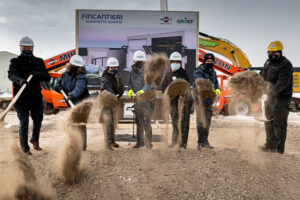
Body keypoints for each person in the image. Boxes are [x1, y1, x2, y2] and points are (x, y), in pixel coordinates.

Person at [8, 36, 51, 155]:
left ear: (33, 48)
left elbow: (47, 76)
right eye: (24, 47)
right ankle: (24, 147)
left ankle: (35, 139)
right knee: (24, 121)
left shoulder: (39, 61)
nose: (27, 49)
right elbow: (11, 75)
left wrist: (37, 74)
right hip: (21, 97)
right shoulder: (15, 62)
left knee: (38, 119)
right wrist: (20, 80)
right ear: (20, 48)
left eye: (29, 48)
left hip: (35, 96)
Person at [260, 41, 293, 154]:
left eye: (274, 52)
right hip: (269, 97)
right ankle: (270, 144)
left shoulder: (285, 64)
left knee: (279, 123)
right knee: (268, 121)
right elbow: (262, 76)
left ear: (280, 52)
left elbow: (282, 83)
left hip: (281, 98)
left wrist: (270, 93)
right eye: (270, 52)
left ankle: (278, 149)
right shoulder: (268, 63)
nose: (272, 54)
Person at [55, 55, 89, 151]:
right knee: (71, 124)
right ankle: (74, 144)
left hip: (81, 104)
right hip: (70, 103)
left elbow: (79, 88)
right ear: (70, 64)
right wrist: (58, 87)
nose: (75, 67)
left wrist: (72, 95)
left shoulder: (82, 77)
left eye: (77, 66)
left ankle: (82, 146)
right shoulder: (65, 74)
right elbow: (58, 84)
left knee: (80, 124)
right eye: (73, 65)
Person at [161, 51, 193, 148]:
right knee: (175, 121)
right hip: (172, 102)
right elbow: (163, 88)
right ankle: (174, 140)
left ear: (180, 63)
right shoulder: (168, 74)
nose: (175, 63)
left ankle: (183, 143)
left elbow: (187, 88)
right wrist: (168, 92)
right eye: (173, 61)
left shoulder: (184, 73)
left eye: (177, 62)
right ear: (170, 62)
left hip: (182, 102)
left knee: (183, 122)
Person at [193, 53, 221, 150]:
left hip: (209, 100)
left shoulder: (213, 72)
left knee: (207, 121)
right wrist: (207, 87)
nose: (210, 63)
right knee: (200, 121)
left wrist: (218, 90)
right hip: (200, 100)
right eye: (208, 61)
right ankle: (200, 142)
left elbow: (216, 83)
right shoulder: (198, 71)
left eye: (212, 61)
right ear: (204, 61)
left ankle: (206, 141)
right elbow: (199, 82)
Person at [128, 50, 154, 149]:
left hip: (147, 100)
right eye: (137, 60)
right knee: (138, 121)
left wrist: (142, 91)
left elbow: (148, 84)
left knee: (147, 121)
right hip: (137, 100)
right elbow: (130, 83)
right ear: (134, 61)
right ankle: (140, 142)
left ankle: (148, 143)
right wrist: (130, 90)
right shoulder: (131, 71)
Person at [99, 57, 124, 150]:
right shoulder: (105, 77)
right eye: (112, 67)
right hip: (106, 103)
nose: (114, 69)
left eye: (115, 67)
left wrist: (119, 94)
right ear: (108, 67)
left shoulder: (117, 76)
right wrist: (114, 95)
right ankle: (107, 143)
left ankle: (112, 141)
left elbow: (121, 87)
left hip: (114, 101)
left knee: (113, 123)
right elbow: (107, 89)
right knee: (108, 123)